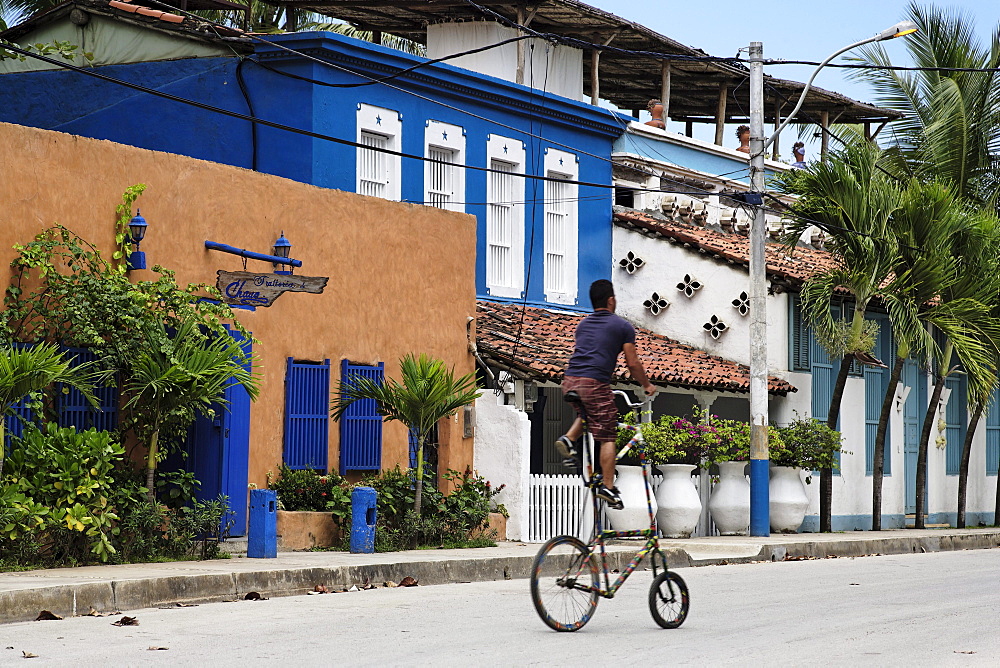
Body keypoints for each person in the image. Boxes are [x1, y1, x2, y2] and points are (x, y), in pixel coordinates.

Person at [556, 280, 656, 510]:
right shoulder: (622, 326)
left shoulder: (582, 325)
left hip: (570, 380)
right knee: (608, 433)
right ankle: (608, 486)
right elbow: (633, 363)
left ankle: (569, 439)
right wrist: (647, 385)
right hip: (595, 382)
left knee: (591, 414)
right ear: (611, 300)